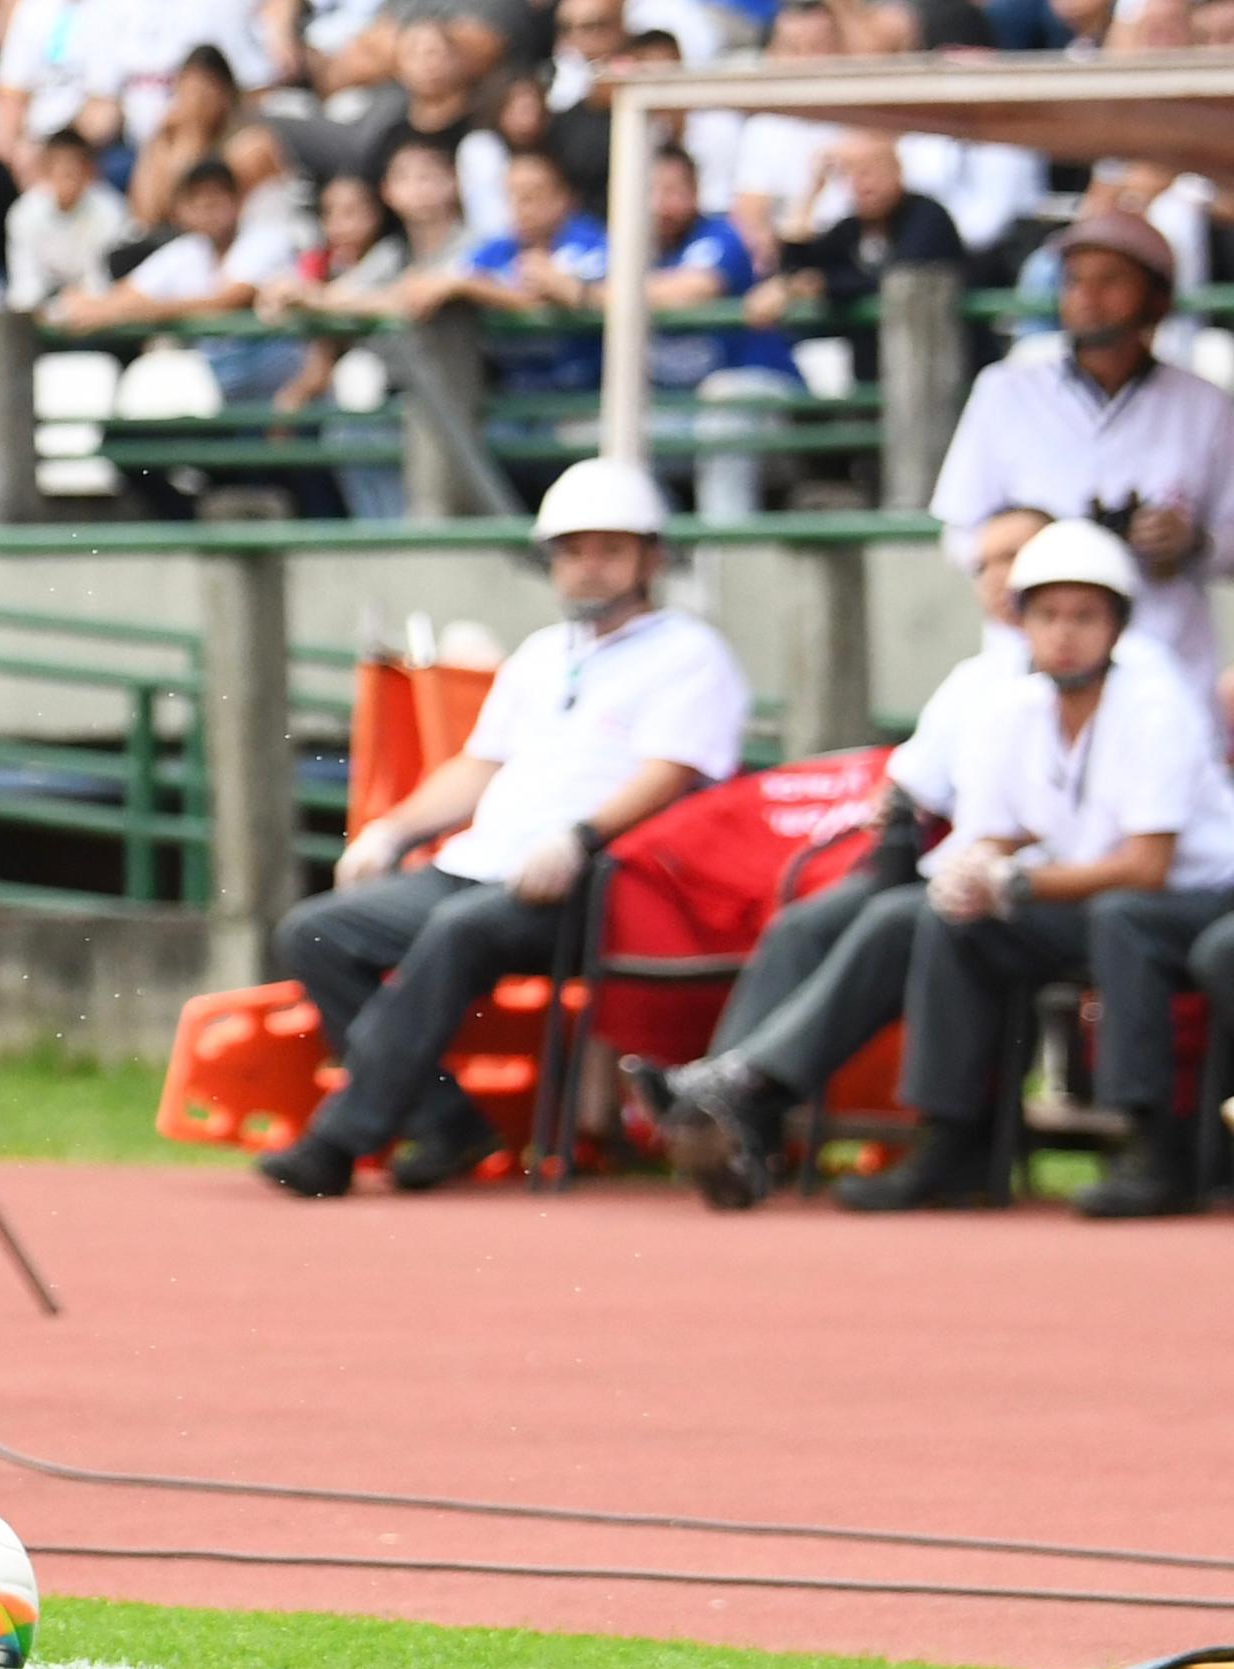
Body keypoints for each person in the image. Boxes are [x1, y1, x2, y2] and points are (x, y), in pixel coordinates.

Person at [258, 461, 748, 1198]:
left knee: (461, 931)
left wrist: (580, 838)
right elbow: (479, 765)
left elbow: (668, 777)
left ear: (652, 558)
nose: (588, 567)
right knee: (315, 931)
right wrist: (390, 830)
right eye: (573, 551)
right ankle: (447, 1121)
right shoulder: (541, 655)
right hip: (485, 865)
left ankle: (340, 1141)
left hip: (606, 882)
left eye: (609, 550)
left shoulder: (692, 655)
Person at [844, 521, 1234, 1220]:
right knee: (955, 922)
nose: (1065, 634)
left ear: (1117, 626)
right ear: (1019, 621)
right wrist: (970, 871)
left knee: (1125, 920)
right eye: (1048, 615)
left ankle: (1151, 1148)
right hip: (1094, 902)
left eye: (1085, 616)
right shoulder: (1012, 706)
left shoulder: (1156, 701)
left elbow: (1149, 868)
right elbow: (998, 832)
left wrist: (1018, 883)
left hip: (1199, 899)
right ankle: (951, 1143)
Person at [654, 610, 1028, 1210]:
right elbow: (911, 781)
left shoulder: (1116, 679)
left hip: (1015, 880)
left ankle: (736, 1088)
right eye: (988, 562)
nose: (1000, 578)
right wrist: (898, 807)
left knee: (898, 920)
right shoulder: (978, 676)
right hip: (942, 862)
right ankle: (741, 1123)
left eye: (1014, 559)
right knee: (804, 924)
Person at [925, 214, 1234, 700]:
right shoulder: (1006, 390)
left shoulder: (1206, 405)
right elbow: (957, 532)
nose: (1087, 297)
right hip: (1031, 667)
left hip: (1164, 665)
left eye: (1111, 280)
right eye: (1075, 280)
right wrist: (1005, 554)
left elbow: (1229, 543)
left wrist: (1193, 542)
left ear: (1157, 298)